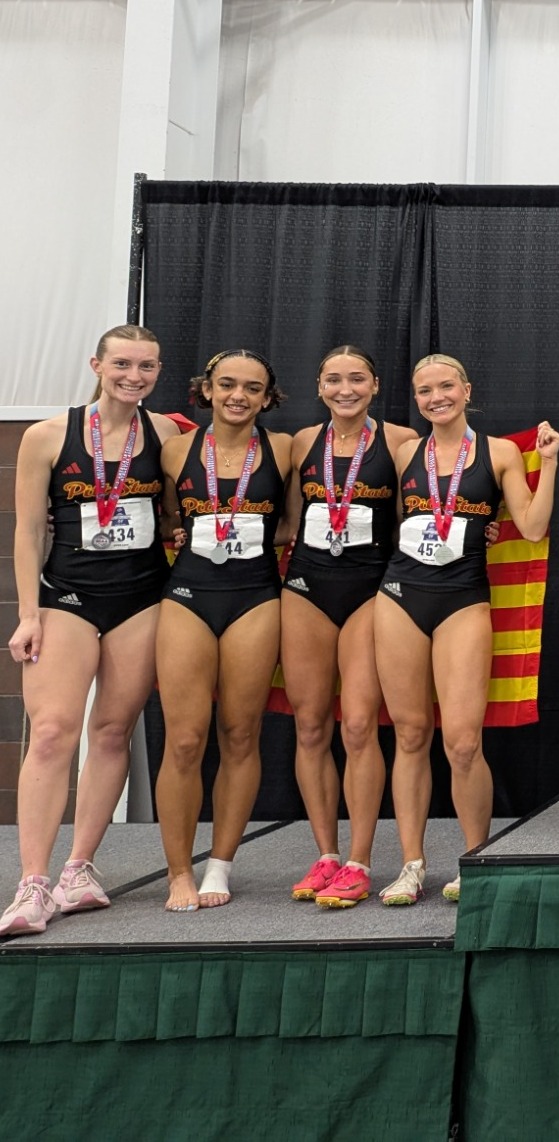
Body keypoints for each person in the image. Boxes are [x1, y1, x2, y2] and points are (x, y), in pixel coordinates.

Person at [1, 327, 185, 938]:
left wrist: (179, 533)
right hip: (68, 598)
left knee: (111, 732)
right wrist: (29, 613)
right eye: (123, 364)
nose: (134, 376)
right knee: (52, 732)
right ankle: (32, 881)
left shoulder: (167, 435)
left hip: (140, 599)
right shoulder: (47, 435)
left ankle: (79, 870)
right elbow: (28, 532)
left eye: (147, 367)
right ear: (97, 364)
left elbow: (174, 514)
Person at [374, 355, 558, 905]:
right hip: (400, 597)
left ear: (466, 389)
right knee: (409, 735)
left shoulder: (499, 453)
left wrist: (548, 464)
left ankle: (475, 857)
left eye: (446, 386)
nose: (436, 398)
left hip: (464, 602)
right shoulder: (405, 452)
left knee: (461, 741)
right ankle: (411, 863)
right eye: (424, 390)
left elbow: (531, 526)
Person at [155, 349, 294, 911]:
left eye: (252, 388)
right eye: (228, 385)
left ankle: (220, 865)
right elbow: (163, 518)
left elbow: (291, 523)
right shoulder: (173, 451)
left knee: (240, 734)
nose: (239, 396)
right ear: (206, 389)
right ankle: (177, 872)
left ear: (268, 397)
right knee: (185, 739)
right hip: (188, 596)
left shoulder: (284, 450)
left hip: (256, 597)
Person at [282, 346, 419, 908]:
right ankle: (326, 855)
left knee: (359, 726)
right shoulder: (298, 444)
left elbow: (436, 503)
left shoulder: (401, 442)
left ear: (375, 384)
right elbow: (286, 520)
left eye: (357, 379)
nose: (346, 389)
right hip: (307, 590)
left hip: (370, 591)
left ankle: (361, 858)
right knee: (310, 726)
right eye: (334, 379)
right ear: (319, 386)